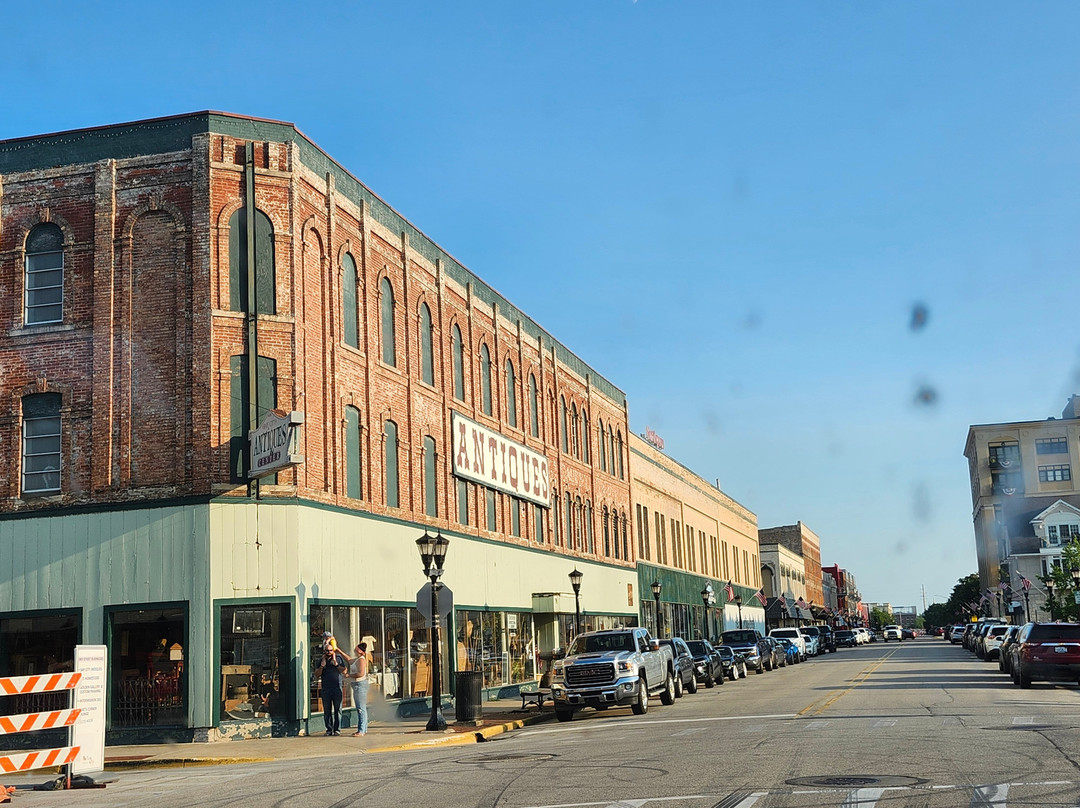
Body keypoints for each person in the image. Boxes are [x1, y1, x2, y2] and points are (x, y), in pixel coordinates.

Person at [317, 633, 348, 736]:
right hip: (326, 688)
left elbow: (344, 671)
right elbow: (317, 674)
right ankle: (329, 729)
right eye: (327, 651)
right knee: (327, 710)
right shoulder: (321, 660)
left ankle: (337, 729)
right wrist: (322, 666)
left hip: (336, 687)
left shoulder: (338, 658)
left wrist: (336, 664)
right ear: (324, 651)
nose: (329, 652)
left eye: (330, 650)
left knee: (338, 709)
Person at [348, 642, 370, 736]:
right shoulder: (357, 659)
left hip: (360, 685)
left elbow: (360, 673)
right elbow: (349, 660)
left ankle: (361, 730)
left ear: (361, 651)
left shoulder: (361, 660)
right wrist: (338, 650)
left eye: (357, 648)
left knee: (361, 708)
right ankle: (363, 729)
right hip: (357, 685)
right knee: (361, 708)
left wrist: (348, 675)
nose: (355, 649)